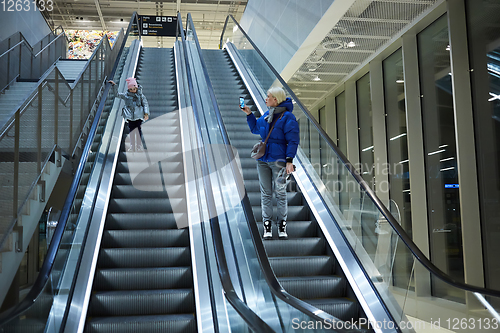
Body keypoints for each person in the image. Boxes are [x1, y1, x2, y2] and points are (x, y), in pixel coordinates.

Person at [241, 87, 299, 239]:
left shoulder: (287, 117)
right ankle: (267, 225)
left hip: (279, 161)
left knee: (280, 193)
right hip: (263, 160)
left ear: (276, 99)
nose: (266, 99)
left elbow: (293, 140)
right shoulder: (267, 114)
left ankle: (282, 225)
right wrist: (249, 114)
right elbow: (255, 129)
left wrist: (289, 161)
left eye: (269, 96)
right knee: (265, 193)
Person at [108, 78, 149, 152]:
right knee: (132, 131)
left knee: (138, 130)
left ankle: (139, 146)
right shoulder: (126, 96)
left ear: (136, 88)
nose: (133, 90)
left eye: (134, 89)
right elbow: (117, 94)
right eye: (131, 89)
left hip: (138, 116)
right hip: (130, 117)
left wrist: (146, 113)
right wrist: (114, 86)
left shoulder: (140, 96)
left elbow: (145, 104)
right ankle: (133, 146)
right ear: (129, 89)